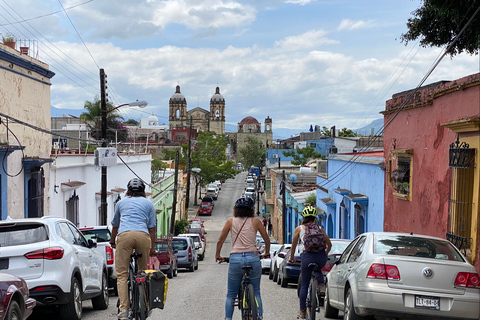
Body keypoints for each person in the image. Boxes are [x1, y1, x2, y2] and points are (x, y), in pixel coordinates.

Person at [110, 178, 157, 320]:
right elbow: (152, 229)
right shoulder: (149, 203)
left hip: (124, 236)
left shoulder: (121, 203)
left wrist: (113, 241)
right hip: (143, 236)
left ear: (128, 190)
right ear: (143, 191)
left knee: (122, 275)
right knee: (142, 272)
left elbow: (115, 226)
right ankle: (145, 304)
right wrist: (152, 249)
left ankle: (123, 310)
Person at [216, 196, 270, 320]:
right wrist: (266, 252)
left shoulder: (230, 221)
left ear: (236, 209)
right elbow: (266, 239)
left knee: (231, 295)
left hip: (235, 259)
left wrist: (217, 255)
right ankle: (259, 316)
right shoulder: (256, 221)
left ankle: (228, 318)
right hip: (253, 257)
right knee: (256, 291)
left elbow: (220, 240)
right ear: (251, 210)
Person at [290, 206, 332, 319]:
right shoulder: (320, 228)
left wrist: (292, 258)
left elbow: (293, 247)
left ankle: (302, 311)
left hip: (307, 256)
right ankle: (322, 286)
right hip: (321, 257)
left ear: (304, 217)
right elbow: (330, 245)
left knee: (304, 284)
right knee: (318, 268)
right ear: (314, 217)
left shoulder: (299, 229)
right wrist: (325, 254)